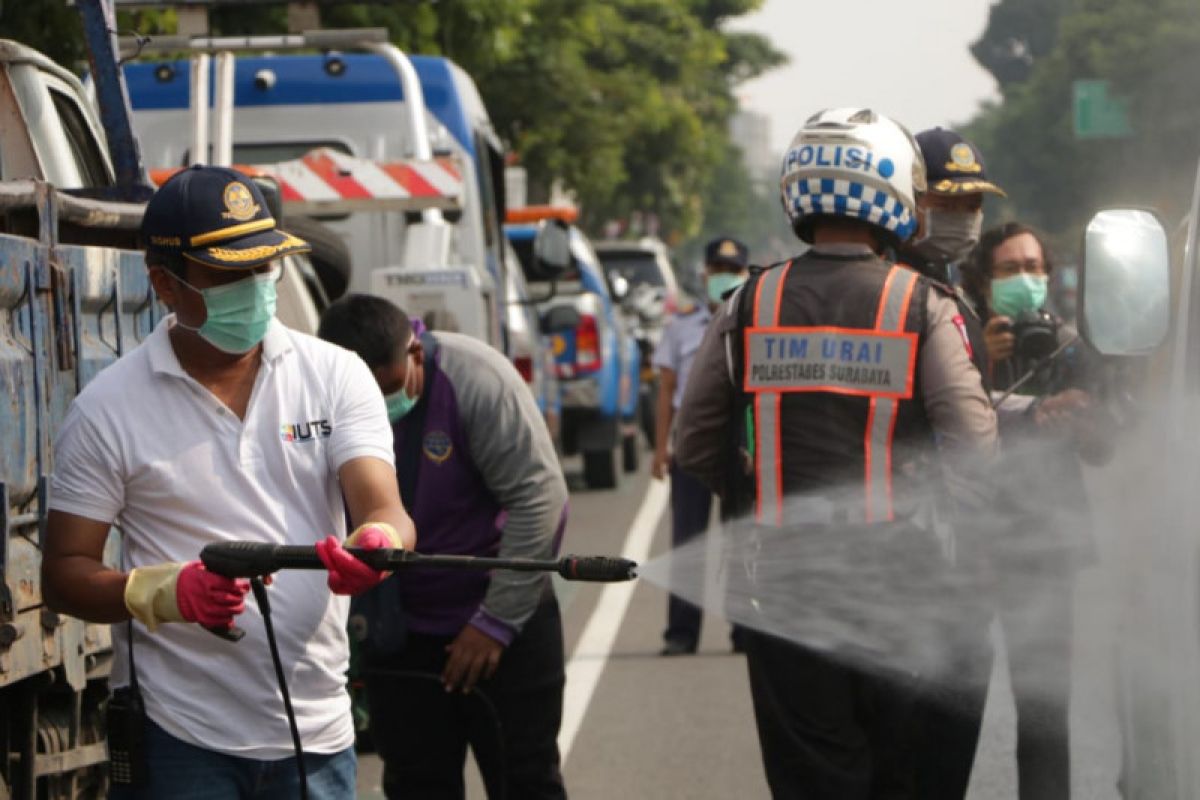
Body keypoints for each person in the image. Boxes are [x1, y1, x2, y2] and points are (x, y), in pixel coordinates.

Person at [41, 165, 416, 799]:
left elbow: (385, 509)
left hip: (316, 734)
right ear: (164, 284)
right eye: (228, 274)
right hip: (182, 739)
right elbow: (65, 573)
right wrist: (165, 592)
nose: (253, 287)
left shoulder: (336, 375)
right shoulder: (108, 409)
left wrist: (377, 545)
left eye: (261, 268)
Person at [674, 107, 999, 798]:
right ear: (892, 195)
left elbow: (694, 442)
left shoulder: (747, 303)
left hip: (785, 589)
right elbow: (974, 448)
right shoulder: (923, 305)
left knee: (815, 778)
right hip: (901, 589)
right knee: (902, 776)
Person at [317, 294, 570, 800]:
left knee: (526, 781)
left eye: (387, 391)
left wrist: (493, 624)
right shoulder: (317, 394)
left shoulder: (476, 379)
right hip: (400, 632)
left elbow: (539, 499)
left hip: (503, 625)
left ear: (414, 353)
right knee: (416, 785)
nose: (379, 408)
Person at [960, 222, 1113, 800]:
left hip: (1046, 546)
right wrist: (986, 361)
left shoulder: (1071, 345)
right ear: (981, 280)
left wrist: (1088, 418)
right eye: (1009, 270)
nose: (1026, 280)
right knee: (951, 707)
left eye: (1033, 268)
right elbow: (949, 426)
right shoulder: (959, 339)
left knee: (1045, 711)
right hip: (972, 545)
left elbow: (1103, 452)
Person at [899, 128, 1008, 800]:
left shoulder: (955, 292)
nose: (965, 217)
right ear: (910, 200)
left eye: (974, 203)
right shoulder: (894, 294)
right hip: (912, 559)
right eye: (950, 200)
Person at [651, 236, 751, 656]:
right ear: (705, 273)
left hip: (740, 445)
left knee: (743, 540)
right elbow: (667, 389)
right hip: (692, 445)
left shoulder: (753, 322)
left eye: (733, 270)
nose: (723, 277)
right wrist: (660, 449)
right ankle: (681, 633)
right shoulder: (681, 326)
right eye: (718, 269)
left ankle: (745, 631)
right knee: (688, 541)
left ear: (744, 275)